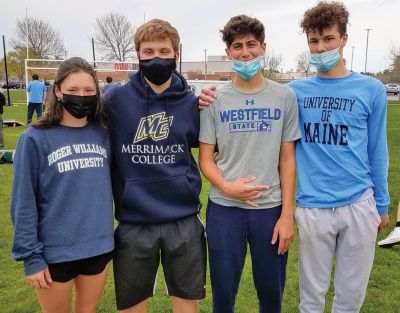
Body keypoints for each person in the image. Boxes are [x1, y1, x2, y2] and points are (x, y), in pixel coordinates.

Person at [288, 2, 389, 312]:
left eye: (328, 39)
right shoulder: (293, 92)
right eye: (314, 41)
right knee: (311, 299)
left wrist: (381, 205)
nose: (321, 48)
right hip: (312, 207)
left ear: (344, 39)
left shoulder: (371, 89)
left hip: (359, 204)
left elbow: (377, 150)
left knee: (349, 299)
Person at [199, 15, 300, 313]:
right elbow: (205, 159)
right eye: (237, 46)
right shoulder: (213, 99)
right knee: (223, 297)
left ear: (263, 47)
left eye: (251, 45)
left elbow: (287, 158)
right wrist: (227, 187)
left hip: (269, 212)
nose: (245, 53)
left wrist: (287, 215)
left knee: (271, 296)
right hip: (224, 210)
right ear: (229, 52)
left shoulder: (284, 96)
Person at [104, 19, 206, 313]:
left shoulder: (191, 103)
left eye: (164, 50)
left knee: (187, 300)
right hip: (134, 221)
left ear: (176, 54)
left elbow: (216, 148)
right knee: (133, 303)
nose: (157, 57)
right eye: (148, 51)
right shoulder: (115, 100)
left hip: (183, 218)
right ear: (138, 55)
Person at [11, 57, 114, 313]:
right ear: (58, 91)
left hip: (97, 245)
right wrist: (31, 257)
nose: (82, 96)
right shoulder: (34, 139)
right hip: (53, 251)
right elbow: (23, 202)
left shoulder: (102, 133)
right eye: (74, 90)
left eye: (89, 91)